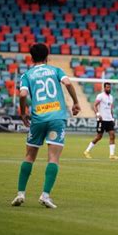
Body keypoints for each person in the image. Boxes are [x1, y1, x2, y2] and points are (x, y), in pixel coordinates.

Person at [11, 43, 81, 208]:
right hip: (57, 119)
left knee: (29, 156)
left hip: (38, 118)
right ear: (47, 56)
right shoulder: (56, 70)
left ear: (31, 57)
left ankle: (21, 194)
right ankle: (45, 195)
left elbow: (22, 94)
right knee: (54, 158)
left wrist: (22, 112)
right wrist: (76, 103)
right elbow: (69, 83)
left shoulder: (27, 75)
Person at [83, 82, 118, 160]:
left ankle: (112, 155)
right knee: (99, 137)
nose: (109, 89)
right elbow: (94, 105)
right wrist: (98, 114)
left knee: (112, 135)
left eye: (110, 87)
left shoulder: (111, 97)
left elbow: (110, 108)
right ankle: (87, 151)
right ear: (104, 88)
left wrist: (112, 118)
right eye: (107, 87)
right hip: (102, 120)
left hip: (109, 119)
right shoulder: (100, 96)